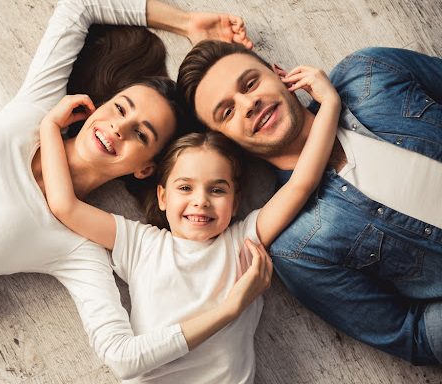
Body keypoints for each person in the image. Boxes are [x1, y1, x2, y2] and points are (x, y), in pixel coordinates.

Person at [0, 0, 256, 379]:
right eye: (120, 108)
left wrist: (230, 309)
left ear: (145, 168)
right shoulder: (35, 109)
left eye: (140, 133)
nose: (119, 127)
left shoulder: (76, 246)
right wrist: (186, 23)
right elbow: (80, 6)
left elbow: (122, 356)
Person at [38, 61, 340, 382]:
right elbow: (64, 205)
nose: (201, 200)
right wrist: (49, 128)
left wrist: (330, 105)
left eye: (217, 189)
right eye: (185, 187)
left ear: (235, 201)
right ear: (163, 197)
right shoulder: (139, 243)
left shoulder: (243, 243)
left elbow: (300, 183)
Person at [176, 41, 442, 365]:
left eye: (250, 83)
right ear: (227, 143)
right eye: (228, 112)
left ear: (279, 74)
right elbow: (410, 334)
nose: (249, 103)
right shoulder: (299, 246)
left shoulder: (369, 73)